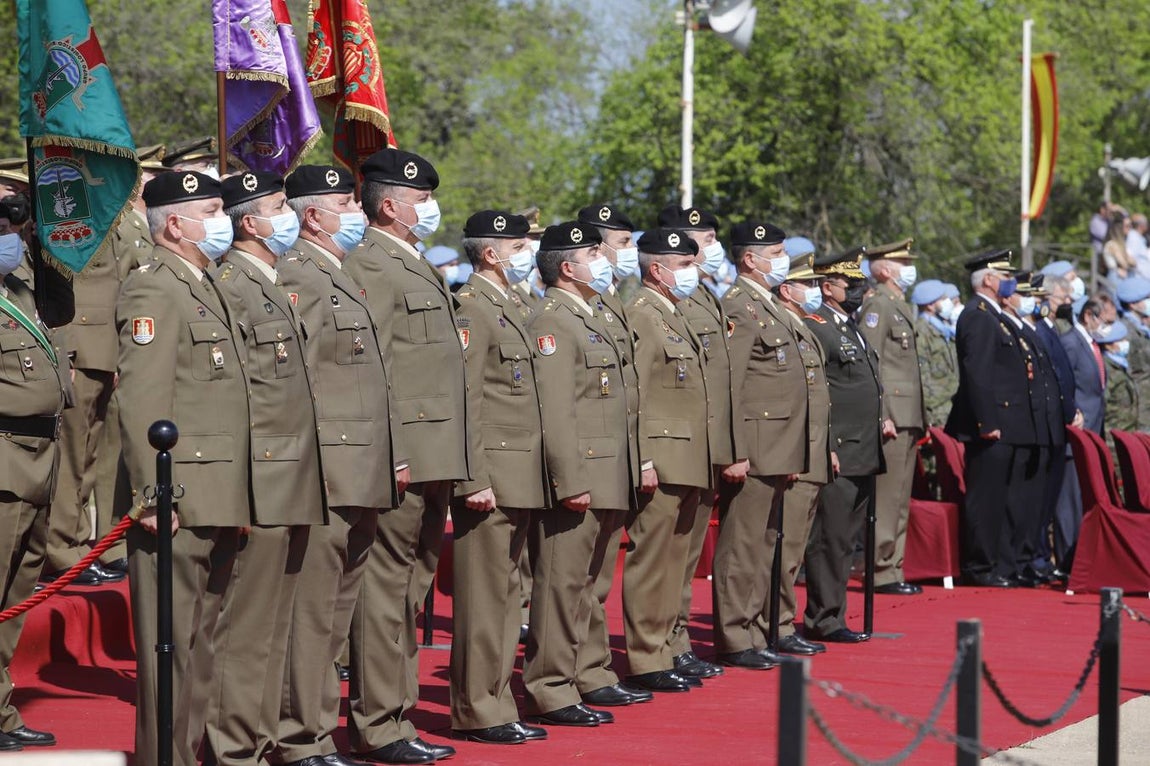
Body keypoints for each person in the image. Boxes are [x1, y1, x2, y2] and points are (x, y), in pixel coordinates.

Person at [272, 165, 408, 765]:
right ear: (312, 217)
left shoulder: (338, 273)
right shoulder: (299, 274)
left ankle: (318, 730)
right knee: (312, 614)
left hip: (361, 468)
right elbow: (297, 384)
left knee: (335, 614)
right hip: (328, 469)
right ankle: (301, 737)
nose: (356, 211)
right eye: (344, 204)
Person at [116, 170, 250, 763]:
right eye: (214, 210)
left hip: (219, 490)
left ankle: (188, 753)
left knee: (203, 647)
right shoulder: (154, 287)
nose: (225, 222)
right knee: (169, 651)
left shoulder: (202, 281)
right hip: (179, 494)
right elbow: (144, 398)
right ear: (175, 223)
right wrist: (154, 493)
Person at [341, 147, 467, 764]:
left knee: (411, 589)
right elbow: (377, 369)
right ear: (390, 205)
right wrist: (392, 449)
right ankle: (378, 722)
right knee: (385, 591)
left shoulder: (414, 263)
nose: (430, 209)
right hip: (406, 452)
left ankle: (398, 712)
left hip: (436, 451)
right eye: (420, 199)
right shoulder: (373, 264)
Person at [204, 171, 327, 765]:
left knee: (275, 629)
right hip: (263, 478)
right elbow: (237, 396)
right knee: (246, 632)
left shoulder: (271, 282)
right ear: (250, 222)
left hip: (294, 475)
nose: (291, 218)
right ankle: (234, 749)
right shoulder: (231, 284)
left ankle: (262, 740)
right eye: (280, 207)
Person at [522, 220, 643, 726]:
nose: (605, 259)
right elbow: (557, 412)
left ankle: (585, 672)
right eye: (595, 253)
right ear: (568, 267)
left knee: (587, 585)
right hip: (580, 478)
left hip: (607, 471)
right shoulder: (554, 321)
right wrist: (569, 481)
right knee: (561, 585)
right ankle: (551, 686)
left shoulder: (587, 314)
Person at [448, 211, 549, 745]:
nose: (527, 253)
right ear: (491, 254)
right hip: (492, 476)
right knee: (485, 600)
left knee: (509, 597)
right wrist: (473, 478)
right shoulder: (475, 308)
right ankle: (477, 707)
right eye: (518, 246)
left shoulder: (513, 305)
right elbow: (467, 400)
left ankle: (497, 700)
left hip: (520, 474)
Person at [620, 227, 712, 692]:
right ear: (658, 270)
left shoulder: (672, 313)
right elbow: (634, 393)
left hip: (688, 454)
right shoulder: (643, 313)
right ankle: (645, 657)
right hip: (661, 455)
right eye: (685, 266)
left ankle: (668, 646)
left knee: (677, 561)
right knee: (652, 561)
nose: (695, 273)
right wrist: (642, 458)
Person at [712, 220, 804, 671]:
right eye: (777, 252)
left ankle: (751, 627)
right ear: (750, 259)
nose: (783, 261)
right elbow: (731, 383)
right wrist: (735, 449)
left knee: (764, 543)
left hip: (779, 444)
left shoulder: (771, 305)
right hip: (754, 442)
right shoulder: (739, 306)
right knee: (742, 545)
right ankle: (734, 634)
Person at [657, 205, 737, 681]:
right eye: (701, 239)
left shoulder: (704, 293)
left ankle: (677, 639)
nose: (710, 247)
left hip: (703, 444)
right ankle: (659, 646)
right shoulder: (663, 301)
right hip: (675, 446)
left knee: (686, 558)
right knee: (664, 558)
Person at [572, 203, 647, 705]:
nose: (624, 254)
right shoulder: (566, 308)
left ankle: (593, 668)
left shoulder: (611, 301)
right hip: (586, 459)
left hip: (616, 457)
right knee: (575, 579)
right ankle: (575, 672)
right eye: (617, 245)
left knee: (597, 577)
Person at [0, 231, 66, 751]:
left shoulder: (18, 290)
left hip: (40, 456)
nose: (8, 236)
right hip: (5, 457)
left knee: (16, 593)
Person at [752, 250, 835, 655]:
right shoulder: (778, 319)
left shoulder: (800, 323)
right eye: (810, 285)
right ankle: (777, 625)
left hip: (811, 450)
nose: (817, 291)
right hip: (790, 451)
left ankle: (781, 622)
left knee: (794, 547)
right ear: (788, 289)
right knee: (781, 549)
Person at [93, 146, 170, 574]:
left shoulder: (142, 228)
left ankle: (113, 540)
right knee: (110, 460)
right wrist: (119, 358)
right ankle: (107, 545)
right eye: (155, 178)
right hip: (127, 354)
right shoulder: (124, 228)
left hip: (142, 354)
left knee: (124, 455)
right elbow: (117, 299)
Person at [802, 247, 884, 644]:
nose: (856, 291)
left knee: (846, 538)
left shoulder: (850, 325)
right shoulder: (818, 325)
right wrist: (828, 444)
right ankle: (823, 617)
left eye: (859, 284)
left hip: (864, 448)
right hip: (840, 448)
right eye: (849, 284)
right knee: (830, 537)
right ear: (826, 286)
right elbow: (820, 393)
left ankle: (835, 613)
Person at [946, 249, 1034, 588]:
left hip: (1006, 422)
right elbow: (977, 373)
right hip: (990, 425)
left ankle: (998, 563)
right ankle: (980, 566)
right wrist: (987, 422)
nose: (1010, 281)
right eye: (1004, 275)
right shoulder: (978, 315)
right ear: (987, 280)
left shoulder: (992, 315)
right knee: (986, 500)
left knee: (1002, 498)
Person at [858, 238, 926, 596]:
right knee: (887, 499)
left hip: (908, 413)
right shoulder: (878, 306)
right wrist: (880, 413)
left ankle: (893, 565)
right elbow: (873, 363)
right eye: (902, 261)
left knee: (900, 497)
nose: (908, 267)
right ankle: (881, 569)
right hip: (893, 415)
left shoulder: (900, 305)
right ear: (884, 269)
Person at [998, 272, 1063, 586]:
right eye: (1029, 297)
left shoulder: (1029, 329)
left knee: (1033, 503)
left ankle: (1024, 560)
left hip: (1041, 426)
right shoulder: (1010, 328)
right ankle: (1015, 561)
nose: (1036, 304)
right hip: (1023, 426)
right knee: (1018, 501)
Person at [911, 279, 959, 428]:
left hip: (950, 400)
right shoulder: (921, 331)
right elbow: (921, 375)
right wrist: (928, 414)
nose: (948, 302)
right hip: (936, 408)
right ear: (931, 305)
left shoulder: (942, 328)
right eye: (943, 299)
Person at [1114, 276, 1150, 428]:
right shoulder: (1126, 331)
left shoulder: (1141, 328)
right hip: (1140, 404)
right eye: (1146, 298)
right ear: (1133, 304)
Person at [1100, 322, 1138, 437]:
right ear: (1108, 345)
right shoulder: (1107, 368)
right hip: (1114, 435)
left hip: (1127, 431)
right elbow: (1103, 404)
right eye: (1121, 340)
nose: (1125, 343)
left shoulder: (1120, 365)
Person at [1101, 215, 1134, 282]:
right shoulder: (1112, 244)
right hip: (1116, 278)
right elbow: (1124, 264)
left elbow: (1133, 262)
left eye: (1131, 225)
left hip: (1123, 277)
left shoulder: (1123, 244)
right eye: (1127, 226)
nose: (1130, 228)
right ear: (1119, 228)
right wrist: (1127, 259)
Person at [1128, 213, 1150, 277]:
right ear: (1141, 225)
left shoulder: (1140, 237)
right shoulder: (1133, 237)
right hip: (1138, 277)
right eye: (1146, 223)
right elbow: (1130, 258)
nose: (1147, 225)